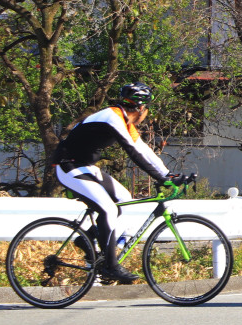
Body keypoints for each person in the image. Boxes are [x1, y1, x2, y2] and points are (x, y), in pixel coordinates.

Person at [53, 82, 178, 284]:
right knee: (108, 210)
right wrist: (161, 178)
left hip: (87, 167)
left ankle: (87, 238)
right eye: (147, 110)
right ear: (141, 109)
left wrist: (169, 174)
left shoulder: (124, 121)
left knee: (124, 199)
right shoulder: (113, 117)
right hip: (68, 167)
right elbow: (133, 152)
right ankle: (110, 267)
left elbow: (143, 149)